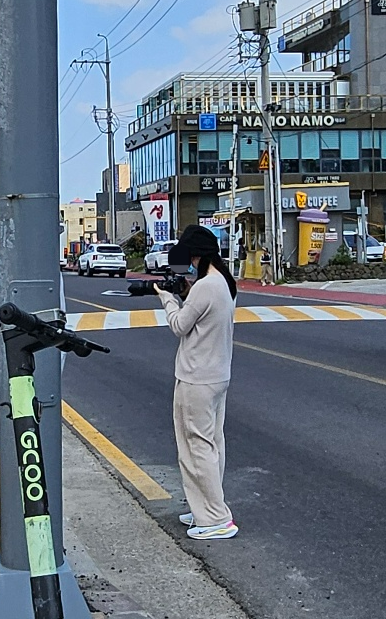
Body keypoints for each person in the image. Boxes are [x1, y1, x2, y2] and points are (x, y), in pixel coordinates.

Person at [155, 225, 239, 540]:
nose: (187, 262)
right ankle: (204, 507)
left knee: (195, 447)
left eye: (188, 256)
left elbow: (179, 325)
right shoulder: (225, 284)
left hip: (196, 377)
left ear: (197, 255)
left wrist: (167, 299)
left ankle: (216, 517)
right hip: (218, 376)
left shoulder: (206, 287)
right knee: (213, 444)